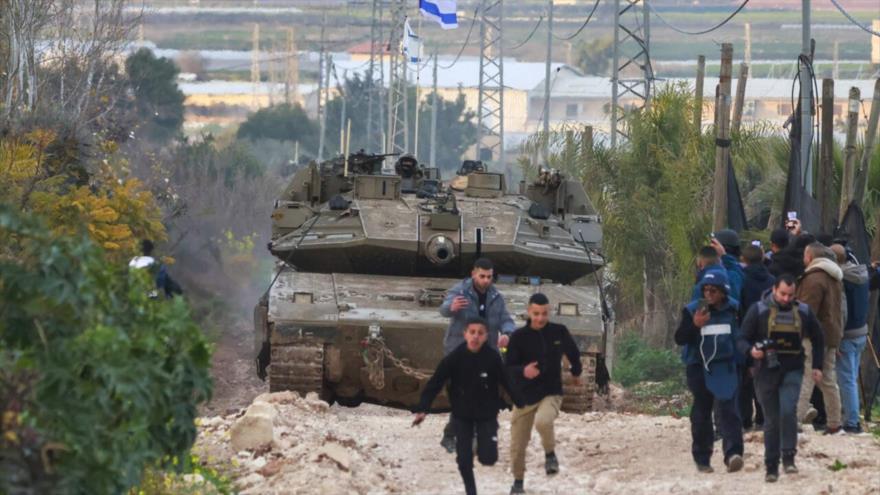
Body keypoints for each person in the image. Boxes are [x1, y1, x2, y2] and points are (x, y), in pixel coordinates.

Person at [413, 317, 525, 495]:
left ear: (486, 336)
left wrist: (522, 404)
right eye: (472, 332)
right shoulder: (455, 358)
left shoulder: (492, 358)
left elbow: (508, 382)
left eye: (480, 333)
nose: (475, 337)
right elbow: (435, 383)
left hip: (487, 414)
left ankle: (482, 445)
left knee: (488, 458)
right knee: (464, 461)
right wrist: (423, 409)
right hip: (462, 415)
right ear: (465, 334)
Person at [739, 275, 825, 482]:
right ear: (774, 290)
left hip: (793, 369)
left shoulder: (803, 311)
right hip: (765, 371)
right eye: (782, 294)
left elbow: (819, 337)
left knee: (788, 412)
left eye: (790, 295)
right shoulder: (758, 310)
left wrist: (817, 366)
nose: (786, 299)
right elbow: (741, 338)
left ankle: (789, 458)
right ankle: (771, 465)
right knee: (771, 419)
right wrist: (751, 351)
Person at [506, 293, 582, 495]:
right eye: (536, 313)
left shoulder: (559, 332)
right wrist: (523, 371)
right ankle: (518, 482)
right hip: (524, 395)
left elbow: (573, 353)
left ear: (549, 312)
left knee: (543, 421)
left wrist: (576, 372)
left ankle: (550, 454)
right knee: (517, 444)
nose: (540, 318)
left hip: (551, 391)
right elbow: (507, 367)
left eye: (544, 314)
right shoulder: (518, 337)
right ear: (529, 312)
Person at [438, 257, 516, 452]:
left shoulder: (496, 297)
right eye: (482, 276)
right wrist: (451, 307)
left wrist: (507, 333)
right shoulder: (460, 291)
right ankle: (459, 436)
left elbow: (506, 319)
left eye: (489, 277)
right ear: (474, 273)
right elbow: (444, 308)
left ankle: (456, 435)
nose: (486, 280)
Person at [674, 270, 744, 474]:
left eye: (713, 290)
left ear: (723, 292)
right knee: (702, 413)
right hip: (699, 366)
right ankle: (703, 458)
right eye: (705, 290)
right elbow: (680, 338)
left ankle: (733, 454)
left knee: (729, 410)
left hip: (726, 366)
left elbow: (741, 337)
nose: (709, 294)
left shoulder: (735, 310)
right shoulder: (692, 310)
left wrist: (746, 365)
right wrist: (695, 325)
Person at [795, 243, 844, 434]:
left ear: (810, 256)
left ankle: (794, 419)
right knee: (829, 380)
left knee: (805, 376)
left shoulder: (814, 279)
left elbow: (806, 311)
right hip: (831, 334)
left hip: (813, 337)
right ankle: (835, 423)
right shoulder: (834, 277)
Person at [739, 243, 776, 430]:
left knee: (746, 377)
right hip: (768, 331)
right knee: (765, 376)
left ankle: (745, 419)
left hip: (746, 331)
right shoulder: (772, 280)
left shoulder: (741, 280)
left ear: (743, 260)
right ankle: (763, 418)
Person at [835, 245, 870, 434]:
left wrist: (837, 337)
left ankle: (852, 421)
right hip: (861, 333)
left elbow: (841, 311)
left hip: (847, 336)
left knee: (846, 379)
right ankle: (853, 416)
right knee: (852, 378)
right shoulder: (862, 275)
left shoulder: (842, 280)